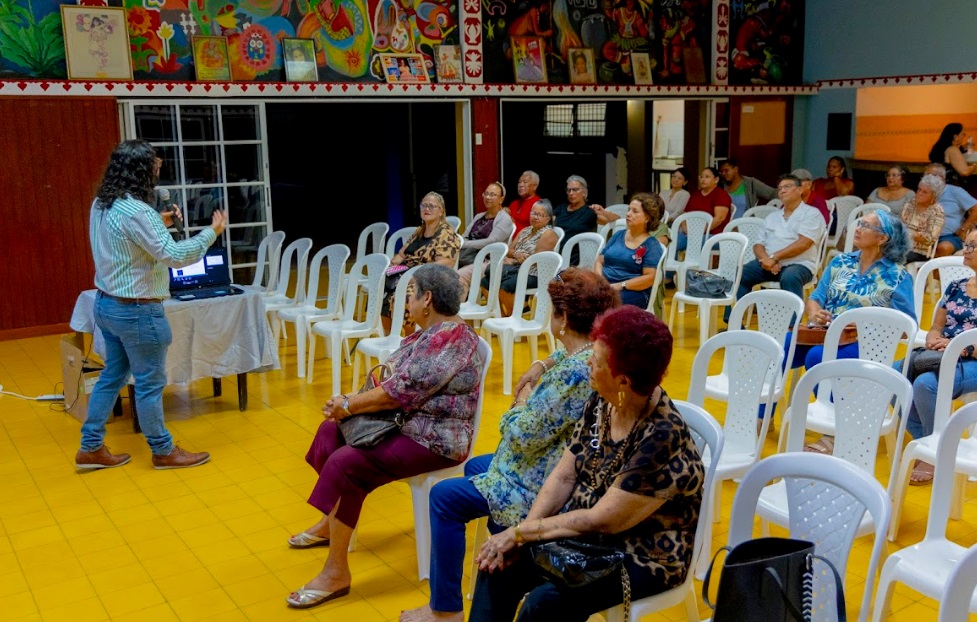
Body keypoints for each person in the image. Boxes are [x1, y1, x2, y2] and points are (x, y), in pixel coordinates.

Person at [399, 269, 619, 622]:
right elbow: (562, 360)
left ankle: (446, 608)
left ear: (562, 319)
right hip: (549, 460)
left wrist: (520, 402)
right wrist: (539, 364)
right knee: (474, 468)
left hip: (548, 477)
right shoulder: (589, 354)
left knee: (443, 498)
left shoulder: (573, 374)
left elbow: (521, 435)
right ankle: (503, 548)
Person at [468, 306, 705, 622]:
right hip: (587, 535)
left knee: (545, 604)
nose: (588, 363)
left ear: (622, 380)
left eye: (597, 360)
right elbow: (565, 474)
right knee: (498, 565)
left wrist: (522, 533)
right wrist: (522, 537)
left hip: (641, 552)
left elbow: (601, 519)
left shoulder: (661, 438)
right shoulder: (602, 401)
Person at [286, 264, 482, 610]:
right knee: (330, 432)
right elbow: (392, 381)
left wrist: (348, 403)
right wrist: (349, 407)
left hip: (435, 439)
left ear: (428, 299)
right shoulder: (428, 332)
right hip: (404, 423)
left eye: (411, 294)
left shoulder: (450, 337)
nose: (406, 302)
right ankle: (331, 523)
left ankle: (336, 573)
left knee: (347, 463)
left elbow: (399, 392)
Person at [76, 139, 227, 471]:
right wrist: (211, 232)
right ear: (141, 171)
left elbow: (127, 237)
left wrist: (160, 223)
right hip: (138, 311)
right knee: (148, 384)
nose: (158, 172)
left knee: (112, 376)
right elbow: (174, 256)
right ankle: (163, 450)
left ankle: (90, 447)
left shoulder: (101, 204)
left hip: (106, 305)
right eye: (155, 167)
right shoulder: (140, 212)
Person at [796, 209, 914, 456]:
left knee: (817, 358)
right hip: (825, 332)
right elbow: (815, 298)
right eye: (859, 222)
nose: (857, 228)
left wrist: (867, 326)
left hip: (866, 342)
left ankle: (835, 430)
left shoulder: (897, 275)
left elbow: (907, 324)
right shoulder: (840, 262)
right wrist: (816, 312)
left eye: (866, 226)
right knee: (781, 348)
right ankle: (760, 418)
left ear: (883, 239)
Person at [896, 230, 977, 485]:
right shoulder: (957, 286)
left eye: (974, 245)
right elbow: (936, 327)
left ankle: (932, 453)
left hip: (971, 359)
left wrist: (961, 348)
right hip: (943, 354)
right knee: (894, 374)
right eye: (967, 243)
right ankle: (931, 442)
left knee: (925, 385)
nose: (967, 249)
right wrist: (933, 338)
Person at [729, 174, 826, 319]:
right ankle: (733, 321)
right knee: (740, 273)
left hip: (799, 264)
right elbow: (758, 244)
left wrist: (774, 258)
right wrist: (766, 260)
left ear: (800, 190)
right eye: (779, 188)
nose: (782, 191)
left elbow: (804, 243)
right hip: (768, 264)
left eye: (787, 187)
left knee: (790, 277)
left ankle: (792, 328)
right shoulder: (772, 217)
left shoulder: (811, 214)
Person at [382, 192, 461, 334]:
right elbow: (401, 254)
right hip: (406, 274)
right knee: (380, 288)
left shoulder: (446, 233)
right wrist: (393, 265)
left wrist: (415, 277)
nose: (427, 209)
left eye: (432, 206)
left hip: (430, 281)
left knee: (406, 297)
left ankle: (410, 337)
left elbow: (445, 264)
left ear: (441, 210)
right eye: (424, 205)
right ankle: (388, 337)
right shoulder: (420, 231)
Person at [482, 199, 559, 316]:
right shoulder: (525, 231)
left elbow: (536, 260)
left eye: (540, 215)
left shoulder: (548, 233)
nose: (535, 217)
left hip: (536, 273)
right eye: (533, 213)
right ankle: (501, 314)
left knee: (505, 285)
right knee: (485, 281)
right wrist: (516, 255)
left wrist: (514, 259)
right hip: (518, 267)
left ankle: (514, 314)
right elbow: (509, 250)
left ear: (548, 218)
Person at [595, 193, 665, 316]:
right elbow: (599, 261)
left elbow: (649, 278)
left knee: (604, 301)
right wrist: (600, 281)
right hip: (606, 286)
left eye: (635, 211)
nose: (628, 214)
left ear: (647, 218)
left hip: (632, 291)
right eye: (628, 210)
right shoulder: (618, 235)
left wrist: (619, 286)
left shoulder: (651, 245)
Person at [457, 182, 515, 269]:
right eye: (486, 194)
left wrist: (464, 244)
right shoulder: (479, 216)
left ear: (501, 199)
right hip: (467, 256)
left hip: (486, 260)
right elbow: (464, 236)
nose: (488, 197)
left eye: (492, 195)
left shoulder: (504, 219)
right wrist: (460, 243)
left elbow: (491, 241)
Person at [926, 163, 977, 257]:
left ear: (941, 177)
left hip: (948, 236)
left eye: (930, 176)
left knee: (944, 248)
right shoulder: (923, 192)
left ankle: (931, 271)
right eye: (925, 176)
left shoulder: (955, 191)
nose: (926, 179)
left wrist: (964, 228)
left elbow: (975, 208)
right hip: (923, 236)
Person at [901, 174, 945, 263]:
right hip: (901, 245)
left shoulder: (937, 211)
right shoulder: (910, 203)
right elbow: (900, 224)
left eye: (925, 192)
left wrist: (912, 235)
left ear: (934, 196)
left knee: (894, 256)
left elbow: (930, 239)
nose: (920, 193)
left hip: (919, 252)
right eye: (919, 189)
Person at [553, 174, 598, 261]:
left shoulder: (589, 211)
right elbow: (548, 225)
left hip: (575, 255)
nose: (571, 193)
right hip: (556, 251)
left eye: (575, 190)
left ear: (584, 192)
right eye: (568, 190)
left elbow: (614, 219)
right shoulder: (560, 208)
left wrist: (602, 211)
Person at [508, 171, 543, 235]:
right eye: (519, 182)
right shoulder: (513, 204)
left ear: (535, 186)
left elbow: (537, 232)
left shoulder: (539, 205)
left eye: (525, 182)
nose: (520, 185)